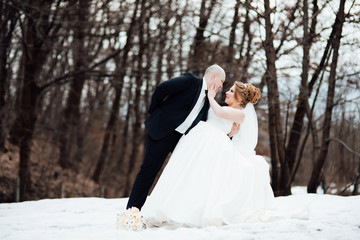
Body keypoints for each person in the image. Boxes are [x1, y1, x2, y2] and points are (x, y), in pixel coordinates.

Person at [140, 81, 278, 227]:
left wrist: (211, 97)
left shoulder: (240, 114)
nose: (227, 92)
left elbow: (219, 113)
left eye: (231, 91)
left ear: (239, 97)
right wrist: (231, 133)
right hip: (206, 141)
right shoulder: (231, 110)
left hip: (218, 146)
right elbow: (225, 128)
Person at [126, 64, 238, 210]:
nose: (221, 86)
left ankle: (167, 212)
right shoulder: (190, 81)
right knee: (149, 171)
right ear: (213, 77)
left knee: (179, 174)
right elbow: (162, 88)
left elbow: (210, 126)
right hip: (162, 131)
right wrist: (155, 112)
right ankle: (131, 212)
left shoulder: (209, 101)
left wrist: (228, 135)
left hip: (182, 140)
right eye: (221, 81)